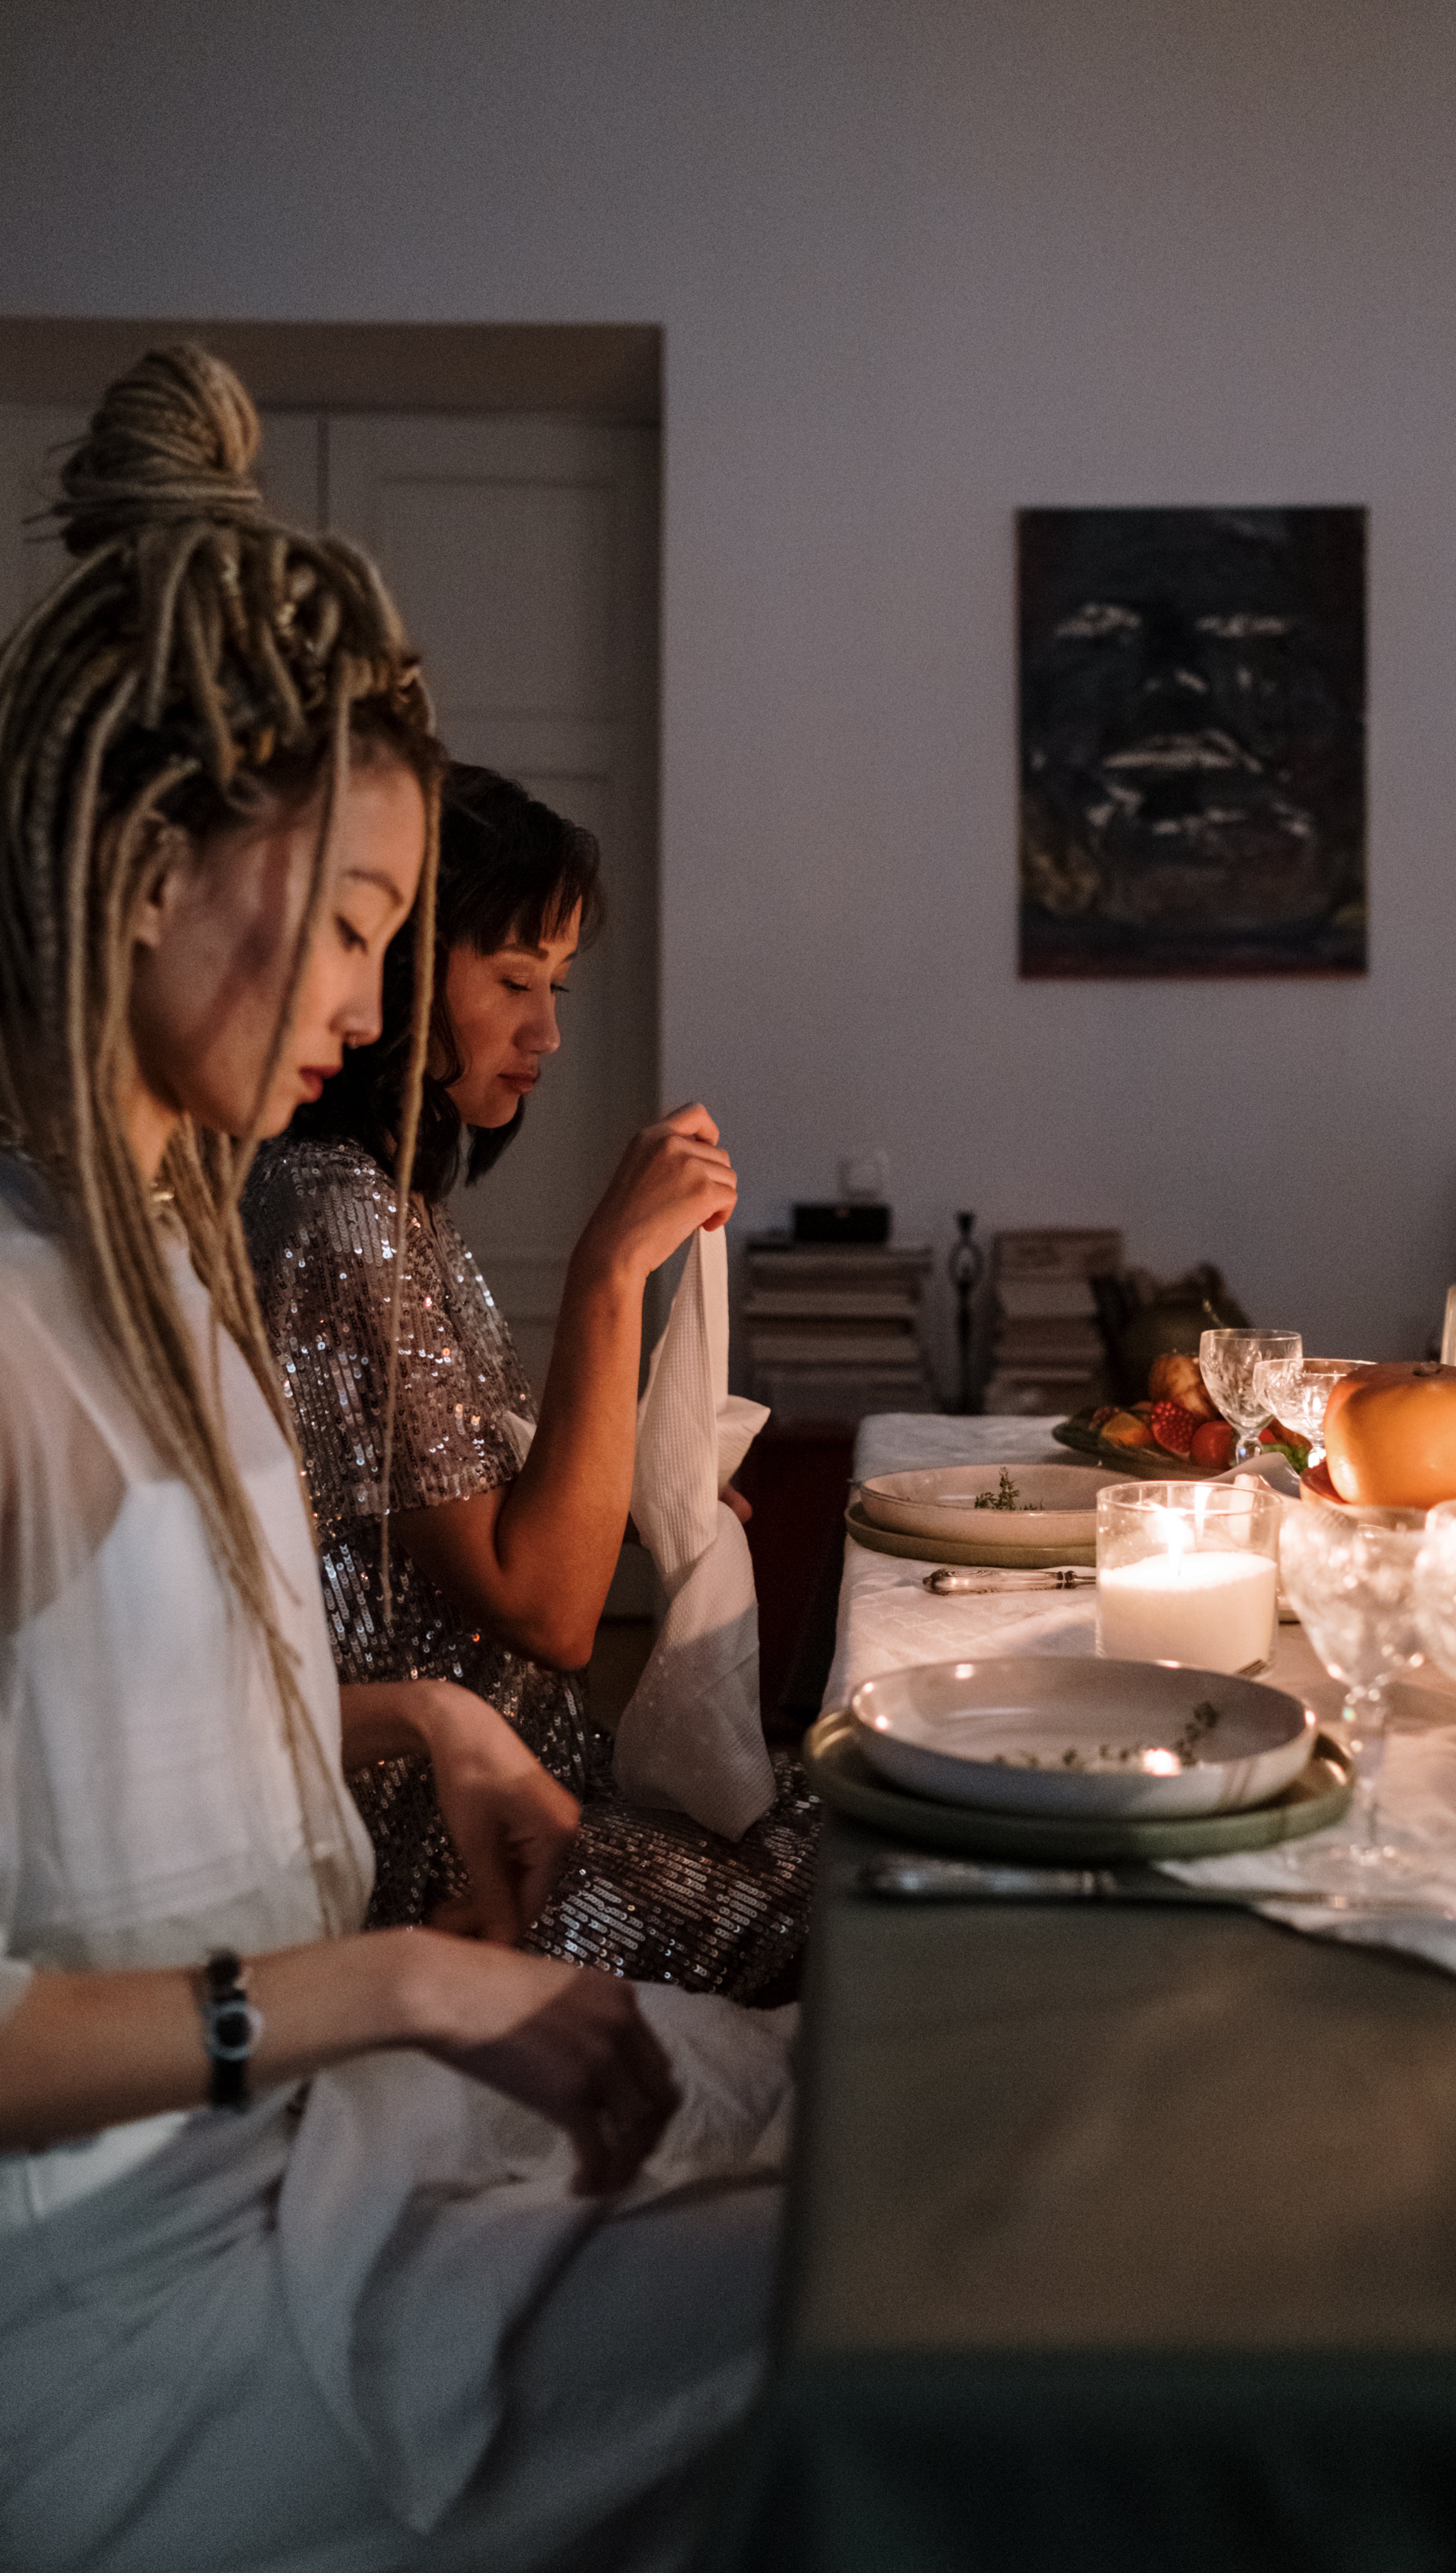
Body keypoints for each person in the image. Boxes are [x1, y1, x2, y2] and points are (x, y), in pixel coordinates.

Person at [0, 345, 787, 2573]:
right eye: (356, 925)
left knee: (862, 2139)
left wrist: (409, 1707)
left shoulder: (157, 1247)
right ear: (154, 869)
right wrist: (414, 1978)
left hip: (288, 2144)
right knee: (857, 2317)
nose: (374, 1001)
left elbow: (79, 1741)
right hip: (133, 2312)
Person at [243, 765, 818, 1998]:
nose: (547, 1032)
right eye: (511, 981)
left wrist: (646, 1486)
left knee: (858, 1792)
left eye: (554, 988)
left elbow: (462, 1531)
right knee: (857, 1891)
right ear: (393, 965)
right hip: (444, 1845)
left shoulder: (391, 1202)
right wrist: (613, 1268)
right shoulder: (338, 1212)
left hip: (524, 1772)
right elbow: (545, 1609)